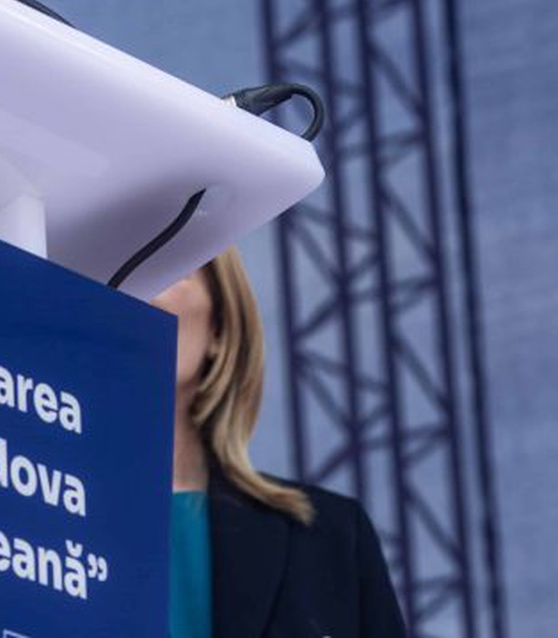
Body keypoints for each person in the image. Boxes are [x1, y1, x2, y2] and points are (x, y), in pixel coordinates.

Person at [153, 248, 406, 638]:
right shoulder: (35, 523)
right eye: (108, 271)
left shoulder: (331, 538)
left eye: (163, 267)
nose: (130, 292)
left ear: (220, 326)